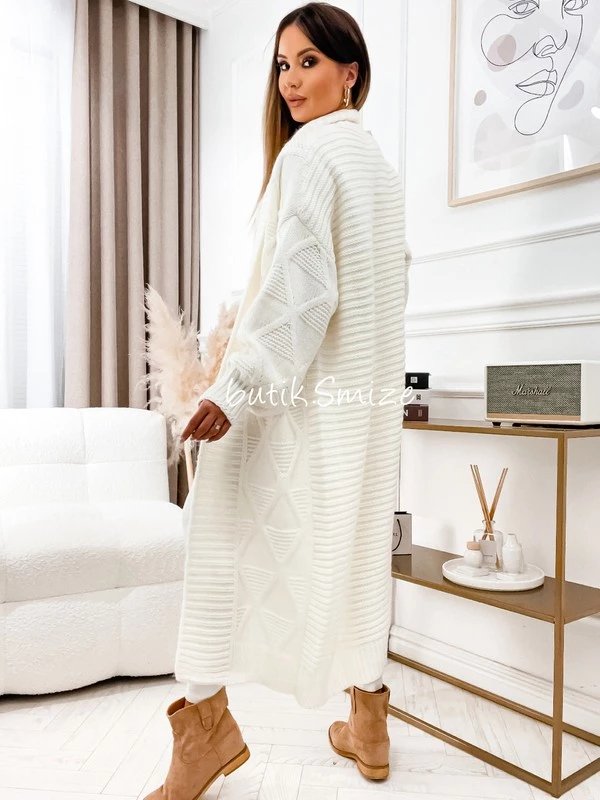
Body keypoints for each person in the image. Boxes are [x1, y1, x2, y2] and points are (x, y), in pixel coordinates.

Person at [144, 4, 410, 799]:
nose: (291, 82)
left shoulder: (311, 155)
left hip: (295, 398)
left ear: (350, 72)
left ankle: (206, 731)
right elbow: (386, 286)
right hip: (363, 412)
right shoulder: (379, 169)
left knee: (215, 523)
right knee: (357, 549)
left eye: (309, 63)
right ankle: (369, 725)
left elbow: (300, 290)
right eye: (283, 65)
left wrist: (237, 387)